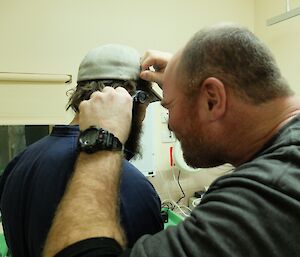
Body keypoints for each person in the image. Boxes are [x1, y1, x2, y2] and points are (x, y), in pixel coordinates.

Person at [43, 23, 300, 257]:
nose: (170, 123)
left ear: (212, 99)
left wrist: (101, 140)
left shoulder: (265, 196)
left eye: (170, 106)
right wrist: (185, 79)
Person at [0, 44, 164, 257]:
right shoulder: (131, 185)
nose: (142, 117)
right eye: (146, 105)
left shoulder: (19, 162)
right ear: (129, 100)